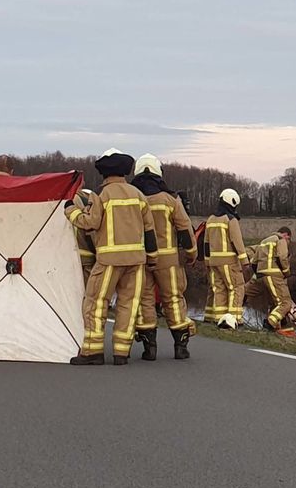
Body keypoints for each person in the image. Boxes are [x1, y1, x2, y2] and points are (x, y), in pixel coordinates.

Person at [63, 149, 157, 365]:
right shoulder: (138, 195)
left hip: (109, 261)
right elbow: (149, 231)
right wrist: (152, 259)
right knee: (128, 304)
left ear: (104, 174)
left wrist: (71, 211)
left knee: (95, 302)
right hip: (136, 261)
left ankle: (92, 351)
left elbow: (90, 223)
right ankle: (121, 353)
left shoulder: (102, 196)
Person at [130, 154, 198, 361]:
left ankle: (149, 348)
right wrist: (191, 254)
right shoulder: (170, 199)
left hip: (141, 260)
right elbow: (184, 229)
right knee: (173, 299)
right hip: (168, 261)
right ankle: (180, 345)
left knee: (145, 300)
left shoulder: (132, 198)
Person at [201, 188, 251, 329]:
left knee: (219, 289)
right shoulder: (230, 219)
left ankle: (219, 318)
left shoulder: (210, 219)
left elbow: (205, 243)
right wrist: (244, 261)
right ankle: (234, 319)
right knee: (236, 288)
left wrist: (207, 261)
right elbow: (237, 242)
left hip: (213, 262)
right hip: (229, 262)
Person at [246, 226, 296, 338]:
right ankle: (270, 323)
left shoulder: (264, 241)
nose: (288, 242)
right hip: (274, 276)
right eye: (289, 239)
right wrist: (286, 272)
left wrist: (259, 273)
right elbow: (282, 257)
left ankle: (277, 326)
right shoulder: (281, 240)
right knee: (285, 303)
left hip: (260, 276)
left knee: (271, 300)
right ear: (286, 235)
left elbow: (254, 262)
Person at [72, 188, 97, 282]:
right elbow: (91, 233)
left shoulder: (66, 200)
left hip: (67, 256)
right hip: (86, 257)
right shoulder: (85, 203)